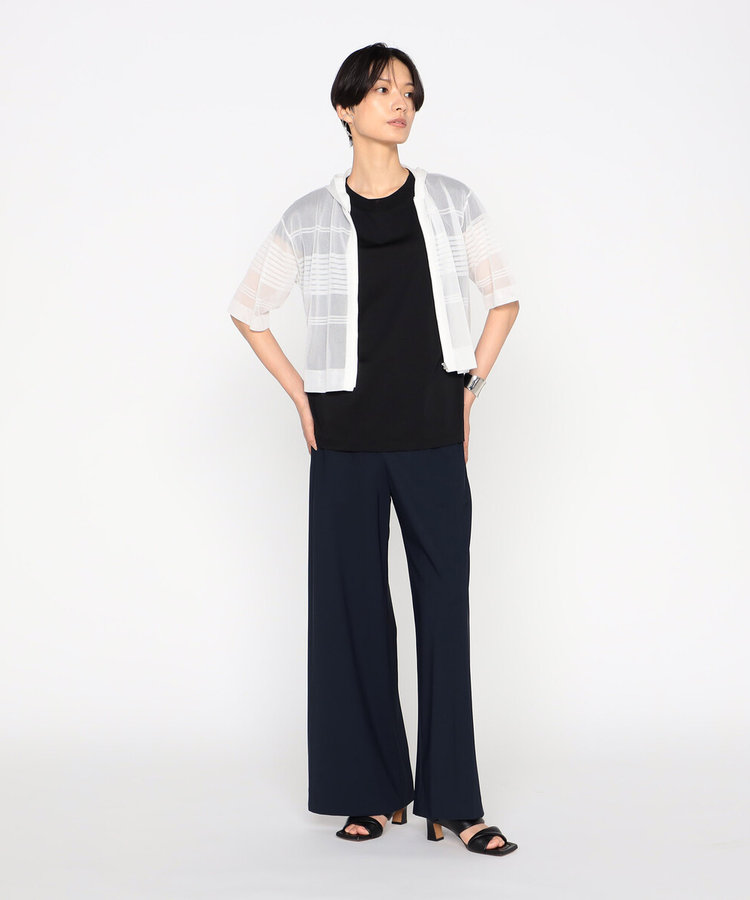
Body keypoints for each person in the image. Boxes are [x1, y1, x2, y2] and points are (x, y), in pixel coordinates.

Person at [228, 42, 520, 857]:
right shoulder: (308, 216)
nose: (401, 104)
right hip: (347, 439)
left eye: (410, 93)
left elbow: (503, 297)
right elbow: (249, 308)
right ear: (345, 107)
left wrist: (471, 389)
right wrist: (300, 396)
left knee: (444, 613)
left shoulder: (452, 203)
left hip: (432, 432)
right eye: (385, 90)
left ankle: (454, 803)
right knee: (353, 612)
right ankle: (371, 791)